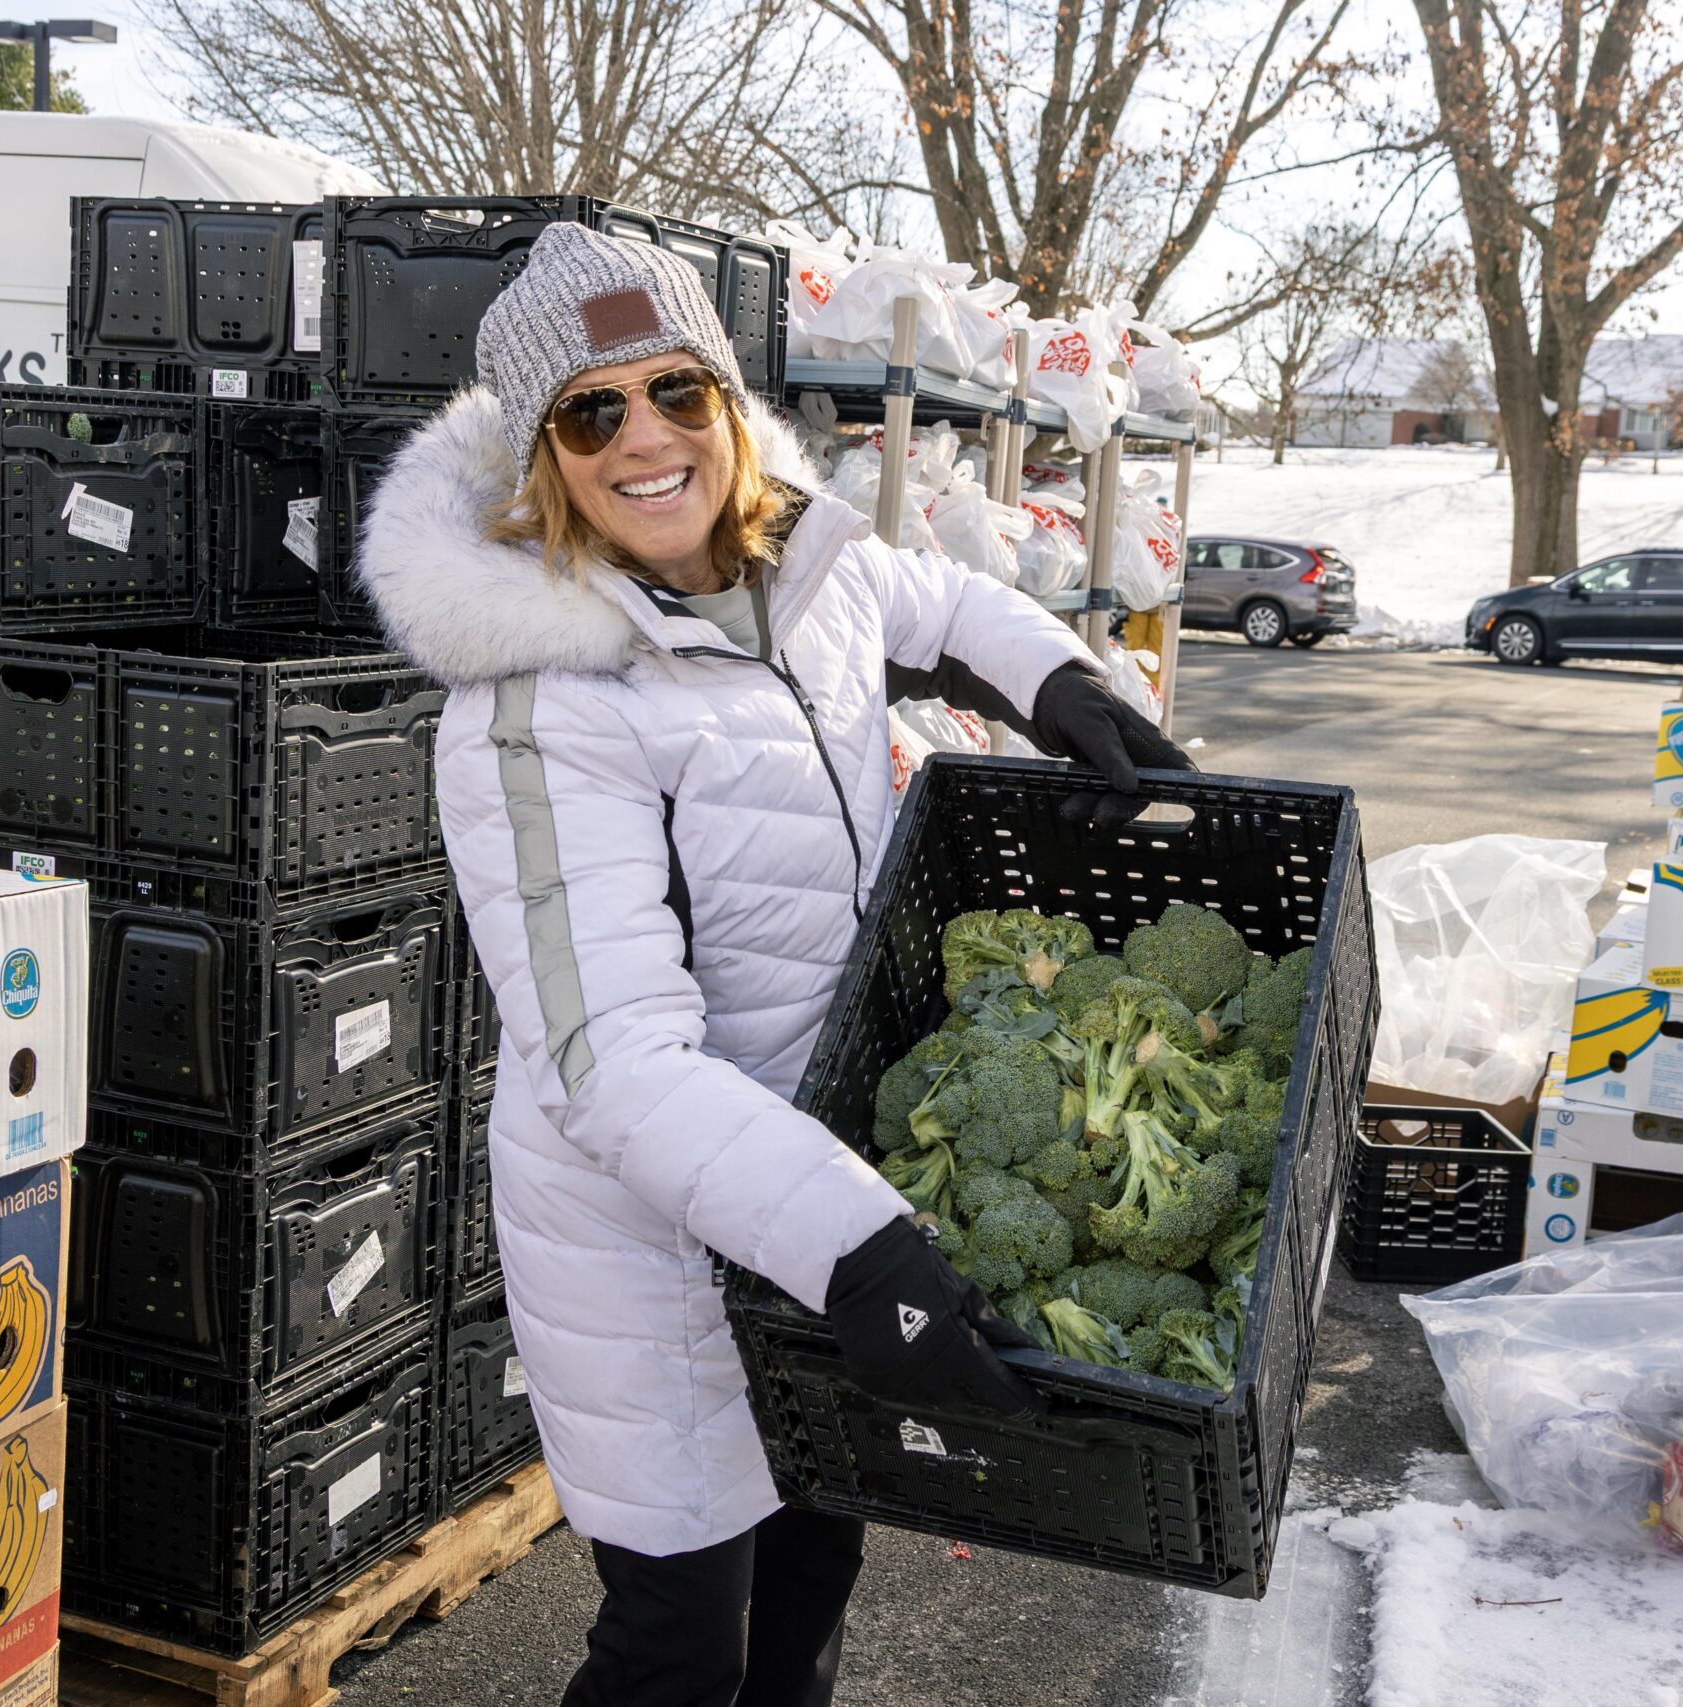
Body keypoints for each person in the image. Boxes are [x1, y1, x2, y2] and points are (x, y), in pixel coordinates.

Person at [354, 223, 1190, 1707]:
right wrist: (866, 1252)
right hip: (651, 1241)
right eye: (590, 412)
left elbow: (927, 606)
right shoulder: (536, 711)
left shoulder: (801, 569)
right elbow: (614, 1065)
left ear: (728, 404)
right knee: (683, 1639)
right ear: (546, 459)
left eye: (675, 389)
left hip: (818, 1179)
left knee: (812, 1581)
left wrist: (1060, 678)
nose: (645, 439)